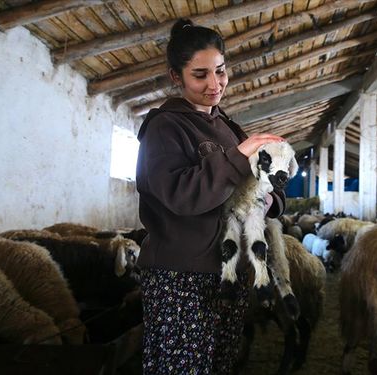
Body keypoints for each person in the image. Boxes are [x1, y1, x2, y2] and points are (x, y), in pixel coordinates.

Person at [135, 18, 286, 374]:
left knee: (221, 362)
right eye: (200, 75)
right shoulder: (164, 128)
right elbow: (182, 196)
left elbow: (267, 185)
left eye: (220, 71)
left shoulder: (230, 129)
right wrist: (239, 156)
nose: (214, 84)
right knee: (182, 367)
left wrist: (267, 200)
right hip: (181, 276)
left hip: (228, 273)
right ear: (177, 77)